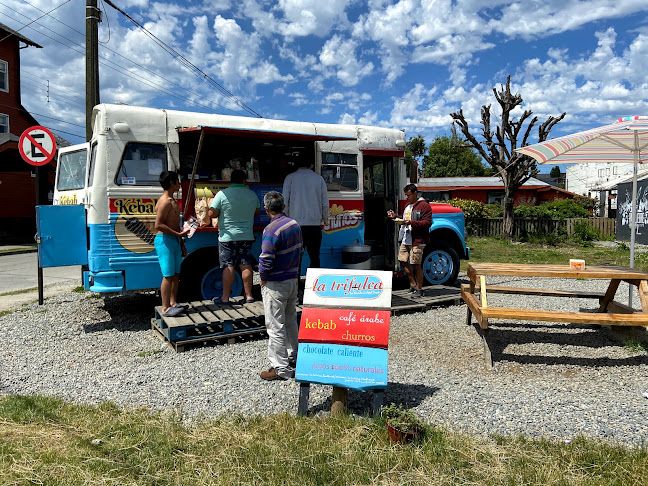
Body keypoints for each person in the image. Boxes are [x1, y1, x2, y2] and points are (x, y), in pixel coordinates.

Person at [258, 191, 303, 381]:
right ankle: (295, 356)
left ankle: (280, 368)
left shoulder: (271, 230)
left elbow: (266, 259)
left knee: (275, 325)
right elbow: (300, 251)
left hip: (276, 283)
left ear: (266, 209)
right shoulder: (294, 225)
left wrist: (262, 277)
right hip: (292, 279)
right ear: (283, 207)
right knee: (291, 320)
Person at [208, 170, 260, 304]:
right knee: (245, 264)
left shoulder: (221, 194)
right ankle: (249, 296)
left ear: (230, 180)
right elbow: (257, 211)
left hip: (228, 237)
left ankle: (225, 297)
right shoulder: (252, 194)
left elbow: (212, 213)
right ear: (244, 180)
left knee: (228, 266)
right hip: (246, 235)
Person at [282, 158, 329, 270]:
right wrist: (324, 217)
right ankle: (313, 284)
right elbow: (325, 203)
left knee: (296, 258)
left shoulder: (290, 178)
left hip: (295, 225)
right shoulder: (319, 179)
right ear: (311, 165)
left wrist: (288, 218)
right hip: (314, 226)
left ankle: (295, 285)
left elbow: (284, 202)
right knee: (314, 257)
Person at [154, 171, 189, 317]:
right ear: (171, 183)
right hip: (165, 241)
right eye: (177, 182)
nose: (179, 184)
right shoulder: (165, 201)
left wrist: (181, 243)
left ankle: (173, 303)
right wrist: (178, 235)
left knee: (176, 274)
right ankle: (165, 307)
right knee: (168, 275)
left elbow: (175, 225)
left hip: (174, 240)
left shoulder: (173, 201)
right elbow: (158, 225)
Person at [387, 183, 432, 298]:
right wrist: (395, 216)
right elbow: (405, 219)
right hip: (406, 238)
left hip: (418, 239)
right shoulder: (408, 206)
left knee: (416, 264)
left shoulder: (424, 206)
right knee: (402, 260)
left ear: (415, 193)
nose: (406, 197)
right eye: (406, 195)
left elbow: (427, 223)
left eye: (408, 195)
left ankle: (419, 289)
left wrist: (411, 223)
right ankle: (412, 284)